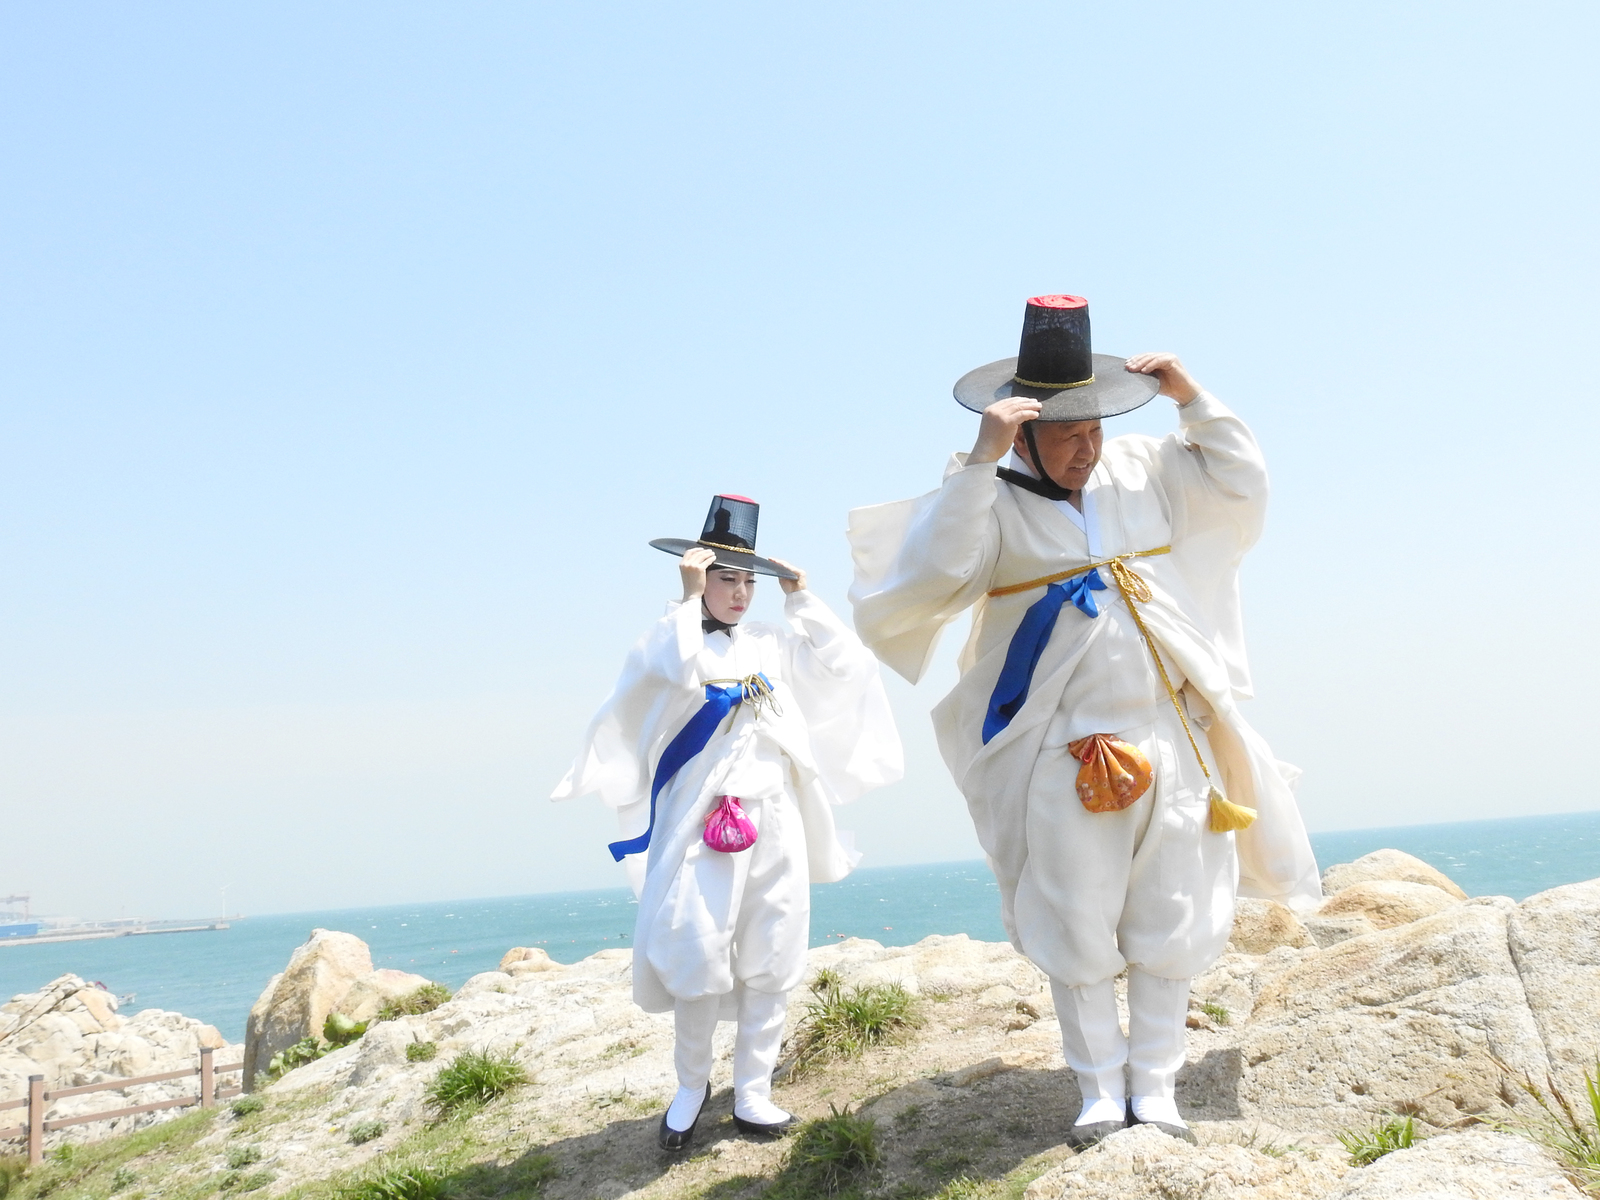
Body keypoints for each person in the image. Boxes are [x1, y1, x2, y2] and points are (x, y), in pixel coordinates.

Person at [846, 295, 1319, 1147]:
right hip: (1064, 751)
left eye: (1094, 429)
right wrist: (980, 462)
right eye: (1065, 434)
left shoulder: (1144, 468)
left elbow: (1242, 487)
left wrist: (1193, 400)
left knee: (1173, 913)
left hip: (1172, 734)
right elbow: (934, 575)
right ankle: (1099, 1091)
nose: (1085, 449)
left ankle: (1157, 1087)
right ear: (1023, 433)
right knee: (1075, 918)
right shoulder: (986, 496)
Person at [553, 494, 902, 1151]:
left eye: (749, 580)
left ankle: (753, 1092)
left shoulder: (770, 641)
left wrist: (802, 599)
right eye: (726, 578)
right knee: (696, 951)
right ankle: (691, 1087)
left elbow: (848, 666)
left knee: (774, 949)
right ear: (699, 577)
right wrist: (688, 600)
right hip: (701, 825)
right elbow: (682, 671)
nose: (741, 593)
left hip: (775, 817)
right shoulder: (667, 637)